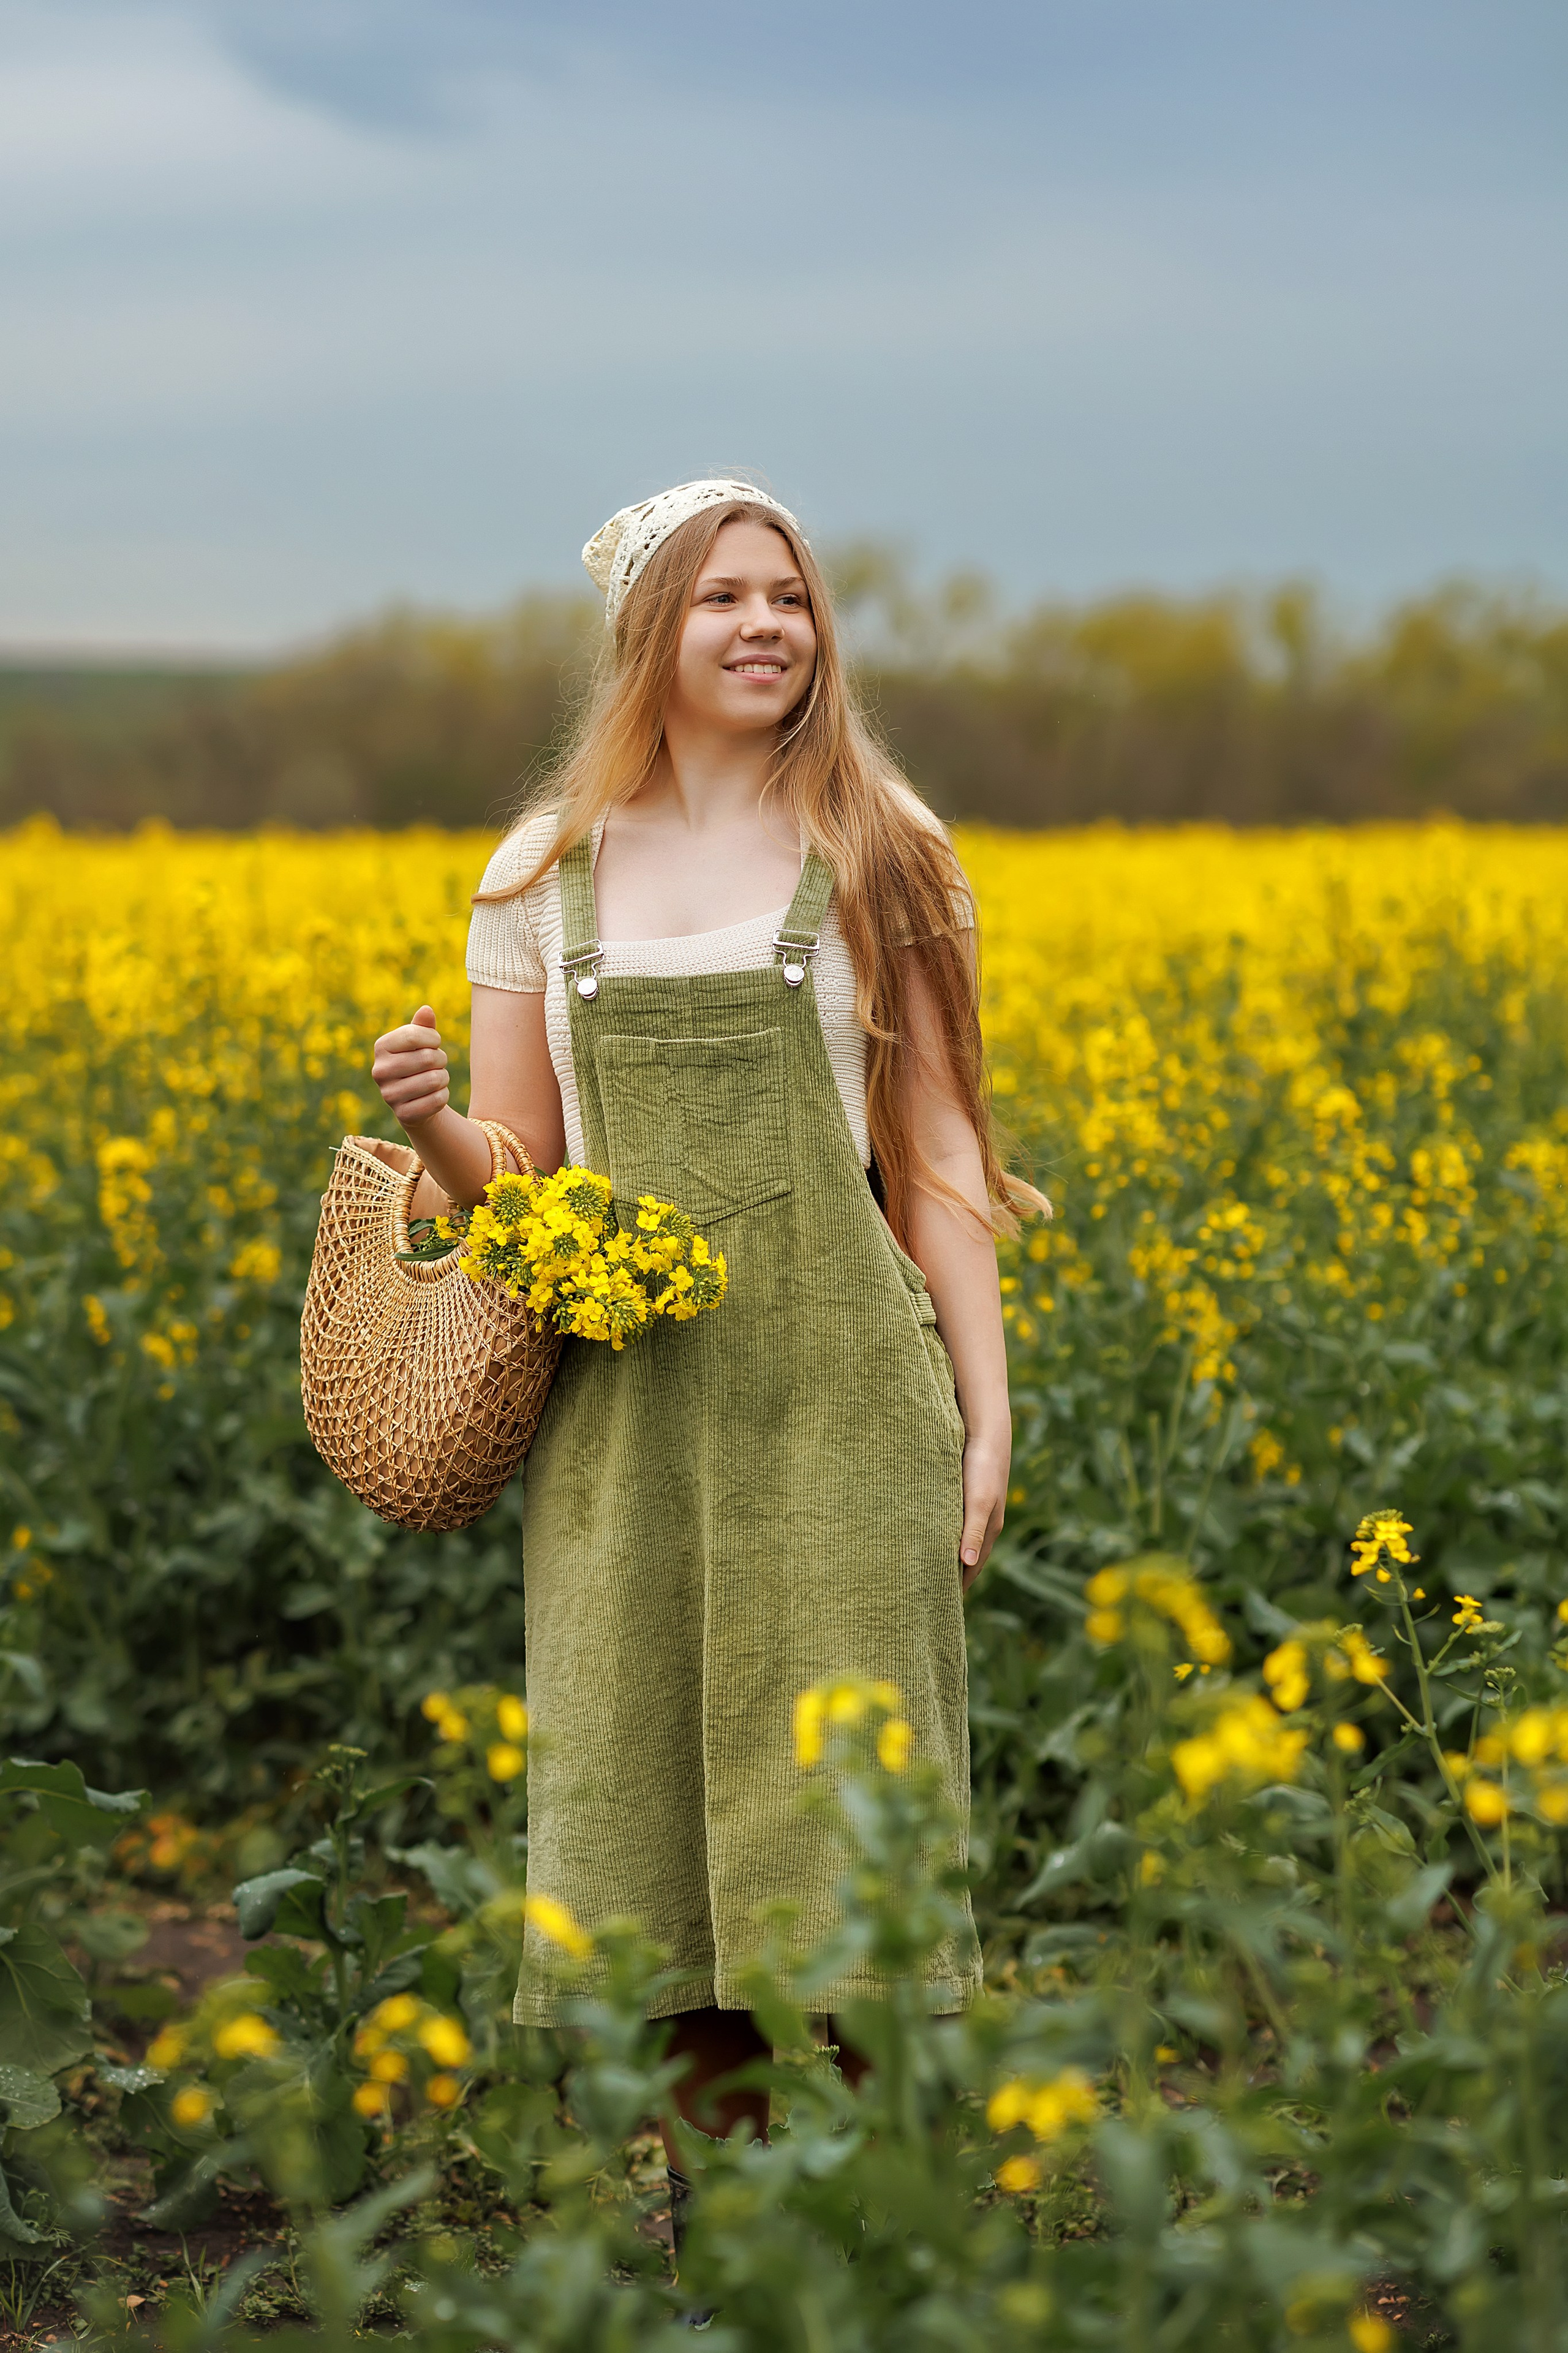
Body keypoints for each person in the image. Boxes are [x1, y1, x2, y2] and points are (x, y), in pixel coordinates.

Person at [369, 477, 1044, 2178]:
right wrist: (436, 1128)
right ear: (644, 636)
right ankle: (732, 2245)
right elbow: (523, 1181)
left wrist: (986, 1406)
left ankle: (881, 2235)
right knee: (655, 1819)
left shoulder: (888, 850)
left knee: (858, 1829)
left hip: (848, 1402)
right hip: (631, 1418)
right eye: (721, 597)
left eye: (789, 596)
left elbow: (941, 1153)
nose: (764, 626)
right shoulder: (540, 874)